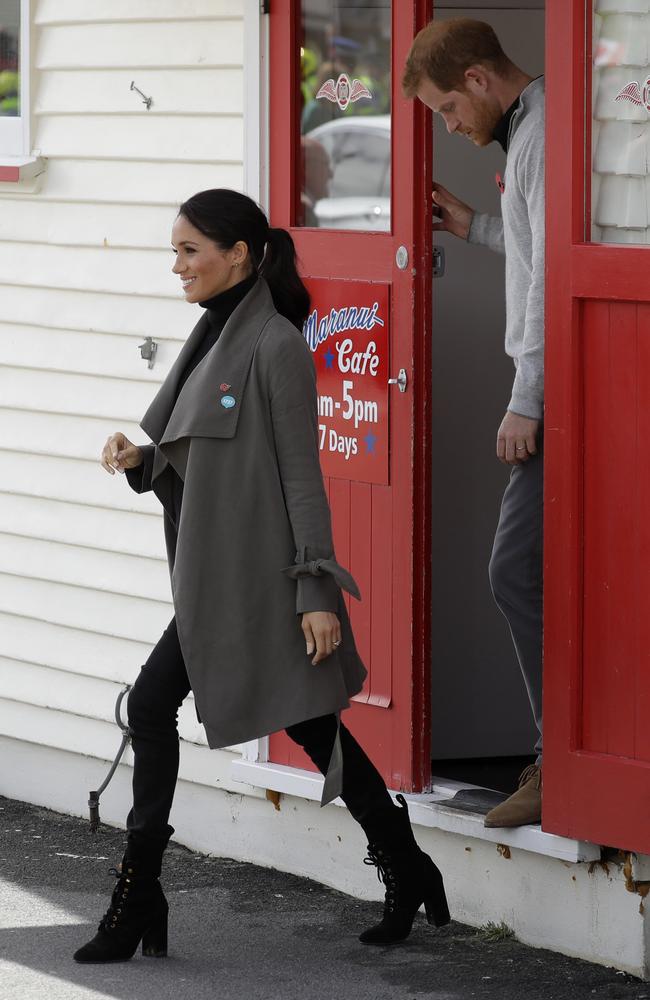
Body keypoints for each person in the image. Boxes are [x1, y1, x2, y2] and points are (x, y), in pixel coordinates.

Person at [73, 189, 449, 963]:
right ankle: (404, 864)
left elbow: (302, 480)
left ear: (237, 255)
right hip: (216, 578)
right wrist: (141, 458)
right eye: (174, 250)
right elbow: (203, 450)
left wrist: (317, 595)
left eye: (189, 251)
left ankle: (139, 893)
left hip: (265, 580)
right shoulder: (212, 336)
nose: (176, 265)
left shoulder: (274, 344)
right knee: (306, 725)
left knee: (179, 708)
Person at [403, 19, 545, 828]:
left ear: (482, 79)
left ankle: (559, 757)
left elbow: (555, 277)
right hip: (551, 386)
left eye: (449, 108)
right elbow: (536, 246)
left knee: (512, 571)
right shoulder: (529, 138)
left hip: (551, 396)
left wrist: (527, 396)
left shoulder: (540, 137)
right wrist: (471, 227)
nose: (450, 126)